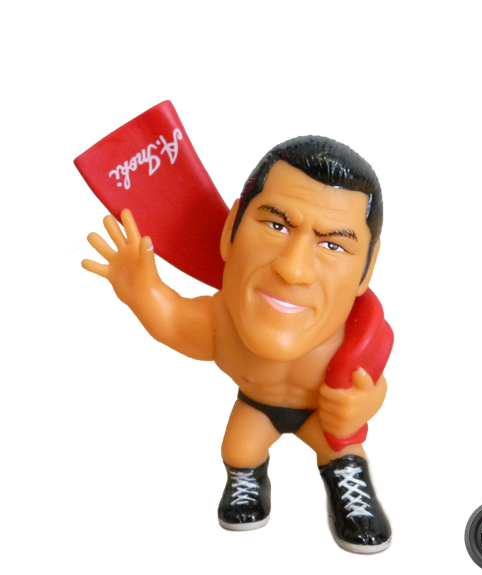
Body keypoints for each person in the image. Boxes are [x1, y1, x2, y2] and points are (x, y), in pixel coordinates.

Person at [82, 136, 392, 553]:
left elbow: (373, 382)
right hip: (256, 405)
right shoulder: (221, 322)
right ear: (232, 230)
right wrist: (143, 292)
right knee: (239, 449)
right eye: (277, 226)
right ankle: (246, 481)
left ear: (366, 269)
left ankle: (350, 485)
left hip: (322, 417)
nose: (293, 269)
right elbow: (173, 321)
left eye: (333, 245)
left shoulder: (354, 337)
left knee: (344, 451)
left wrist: (360, 405)